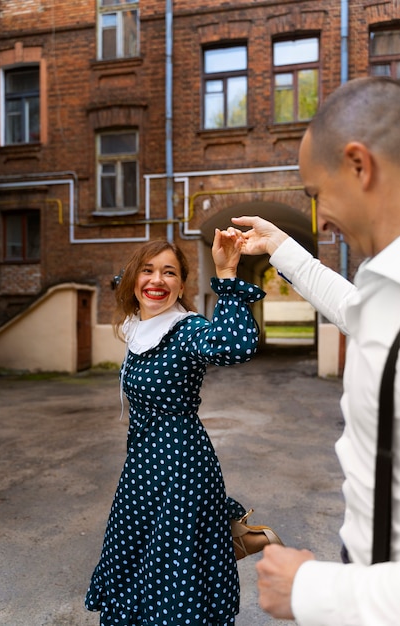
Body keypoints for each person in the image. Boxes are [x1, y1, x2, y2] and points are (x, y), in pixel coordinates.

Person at [227, 76, 400, 625]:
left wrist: (314, 590)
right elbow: (359, 312)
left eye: (316, 194)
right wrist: (282, 249)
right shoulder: (383, 287)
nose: (319, 217)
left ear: (358, 165)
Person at [85, 231, 281, 626]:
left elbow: (236, 344)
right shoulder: (137, 327)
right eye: (148, 270)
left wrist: (227, 271)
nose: (157, 280)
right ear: (134, 278)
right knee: (139, 560)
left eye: (169, 273)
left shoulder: (186, 330)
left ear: (181, 284)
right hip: (141, 467)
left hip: (181, 467)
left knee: (175, 575)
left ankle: (228, 534)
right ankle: (232, 535)